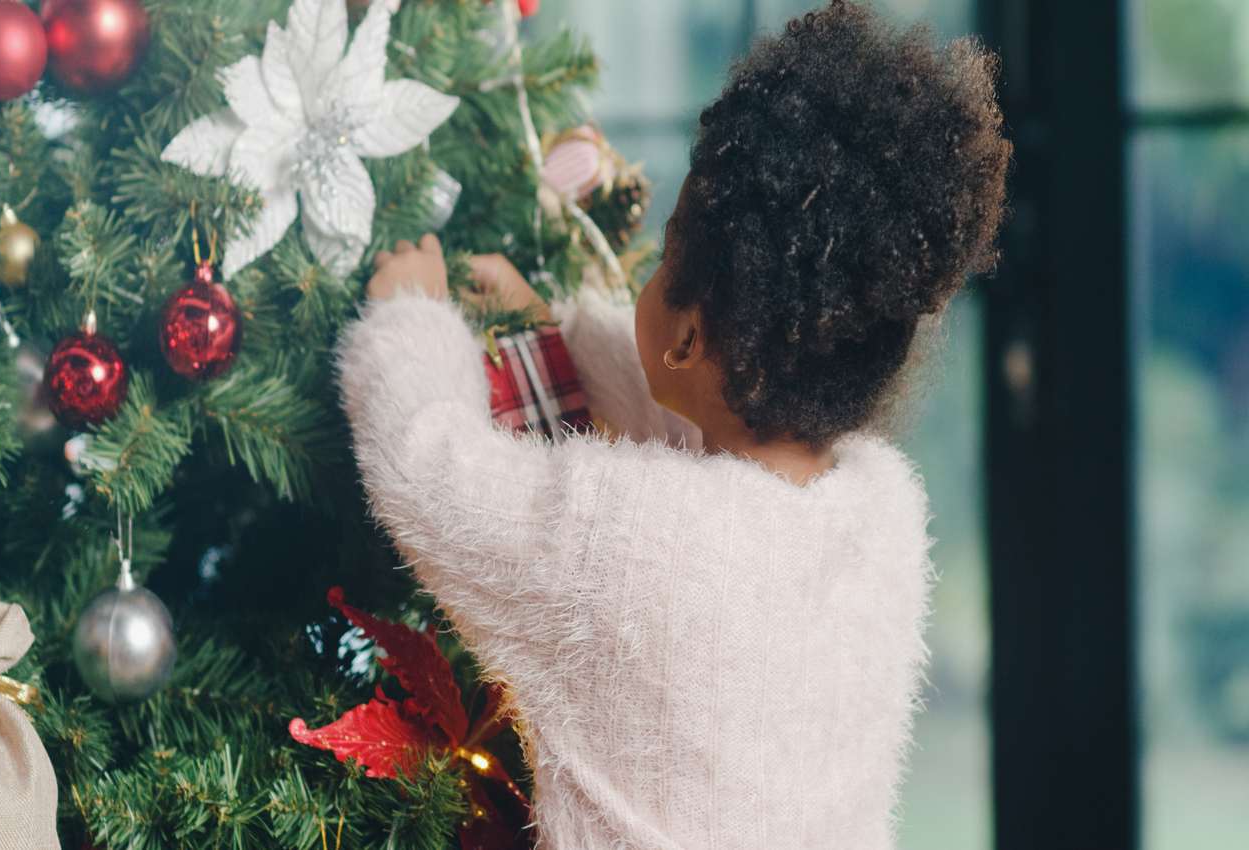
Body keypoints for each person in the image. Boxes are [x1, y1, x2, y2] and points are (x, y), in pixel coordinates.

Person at [337, 2, 1010, 847]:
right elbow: (693, 443)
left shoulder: (619, 542)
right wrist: (560, 329)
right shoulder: (881, 517)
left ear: (690, 336)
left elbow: (429, 472)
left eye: (665, 257)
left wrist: (410, 319)